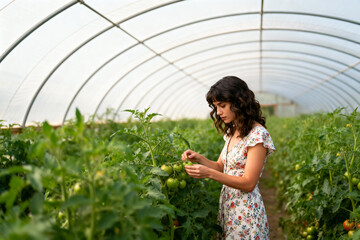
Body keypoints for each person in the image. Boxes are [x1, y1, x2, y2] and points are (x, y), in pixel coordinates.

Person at [181, 76, 275, 240]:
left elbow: (248, 183)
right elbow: (220, 166)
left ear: (239, 102)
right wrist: (199, 158)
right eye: (216, 107)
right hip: (229, 207)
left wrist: (208, 174)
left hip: (246, 212)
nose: (218, 112)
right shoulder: (233, 131)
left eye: (222, 106)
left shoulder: (257, 135)